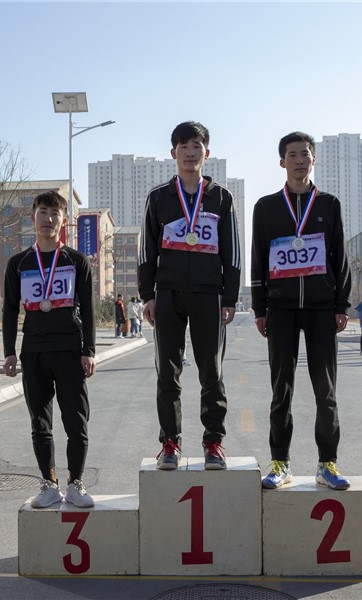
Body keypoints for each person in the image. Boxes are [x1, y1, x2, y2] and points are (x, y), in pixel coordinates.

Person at [138, 121, 240, 471]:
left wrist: (230, 297)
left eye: (197, 146)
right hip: (167, 293)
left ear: (206, 153)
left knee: (211, 372)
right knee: (167, 372)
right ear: (174, 153)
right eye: (184, 146)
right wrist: (148, 295)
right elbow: (146, 251)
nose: (190, 153)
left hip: (209, 294)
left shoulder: (222, 198)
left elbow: (232, 252)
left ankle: (213, 442)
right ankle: (170, 443)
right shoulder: (158, 198)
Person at [252, 131, 351, 491]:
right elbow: (259, 258)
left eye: (305, 154)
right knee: (282, 390)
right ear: (282, 161)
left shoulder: (329, 204)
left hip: (321, 308)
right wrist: (260, 307)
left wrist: (341, 304)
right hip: (280, 308)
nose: (299, 160)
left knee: (326, 391)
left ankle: (328, 464)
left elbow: (339, 257)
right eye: (292, 155)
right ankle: (280, 463)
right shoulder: (266, 207)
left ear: (313, 159)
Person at [2, 191, 97, 509]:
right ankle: (49, 484)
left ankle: (76, 483)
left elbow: (88, 308)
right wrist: (9, 351)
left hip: (69, 350)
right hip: (34, 353)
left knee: (76, 423)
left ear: (64, 220)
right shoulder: (19, 263)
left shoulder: (77, 261)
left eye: (55, 213)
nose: (48, 218)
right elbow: (9, 309)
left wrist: (89, 350)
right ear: (33, 218)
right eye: (42, 212)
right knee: (40, 424)